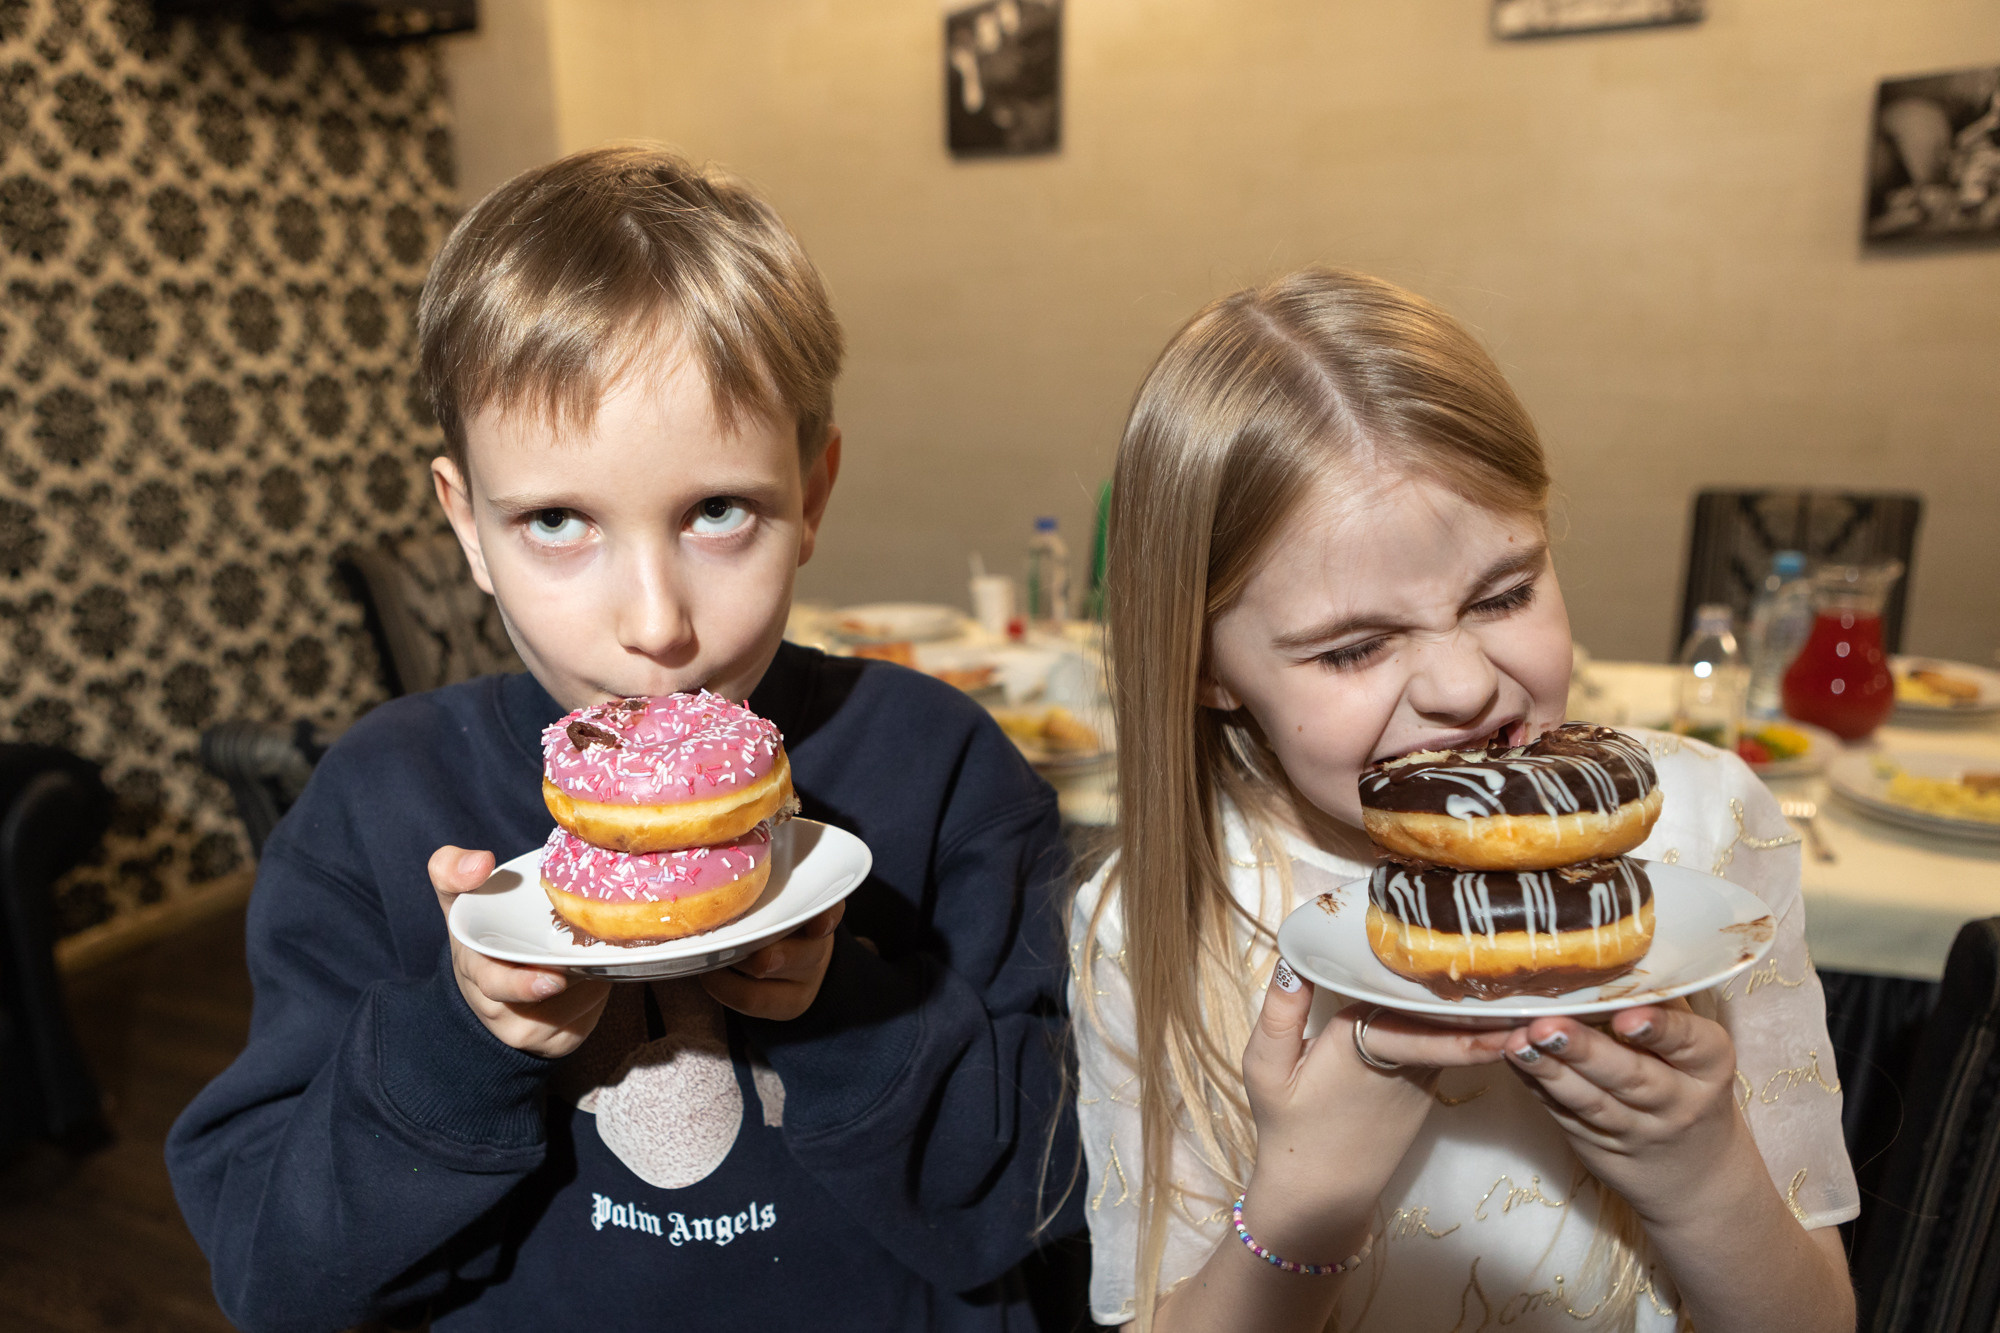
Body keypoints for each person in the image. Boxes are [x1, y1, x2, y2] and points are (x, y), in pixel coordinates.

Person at [166, 146, 1078, 1332]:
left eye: (717, 511)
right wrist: (459, 1036)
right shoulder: (376, 807)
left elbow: (1046, 1195)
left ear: (812, 492)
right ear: (467, 525)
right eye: (555, 520)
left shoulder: (941, 769)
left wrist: (841, 1008)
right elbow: (276, 1279)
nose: (655, 626)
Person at [1070, 268, 1858, 1332]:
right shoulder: (1151, 921)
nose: (1462, 686)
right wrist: (1299, 1205)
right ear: (1206, 669)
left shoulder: (1705, 829)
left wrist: (1698, 1171)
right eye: (1352, 646)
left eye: (1504, 592)